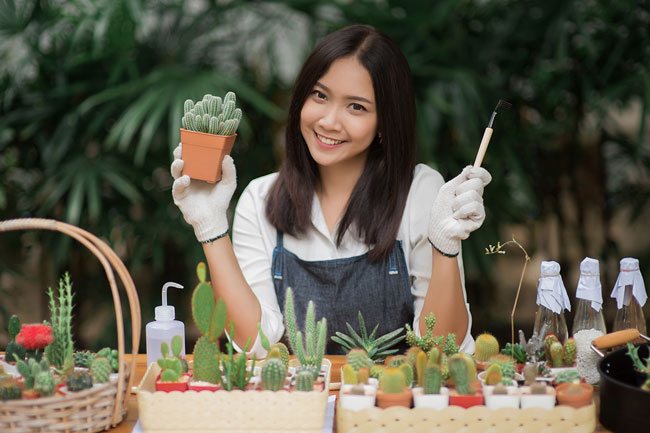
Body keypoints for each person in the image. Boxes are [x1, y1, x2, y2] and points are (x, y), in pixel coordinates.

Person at [171, 24, 491, 356]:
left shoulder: (421, 191)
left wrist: (445, 249)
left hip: (386, 403)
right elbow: (254, 344)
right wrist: (210, 227)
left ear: (385, 123)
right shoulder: (260, 198)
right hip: (299, 402)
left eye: (357, 107)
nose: (328, 121)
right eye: (320, 96)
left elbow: (441, 346)